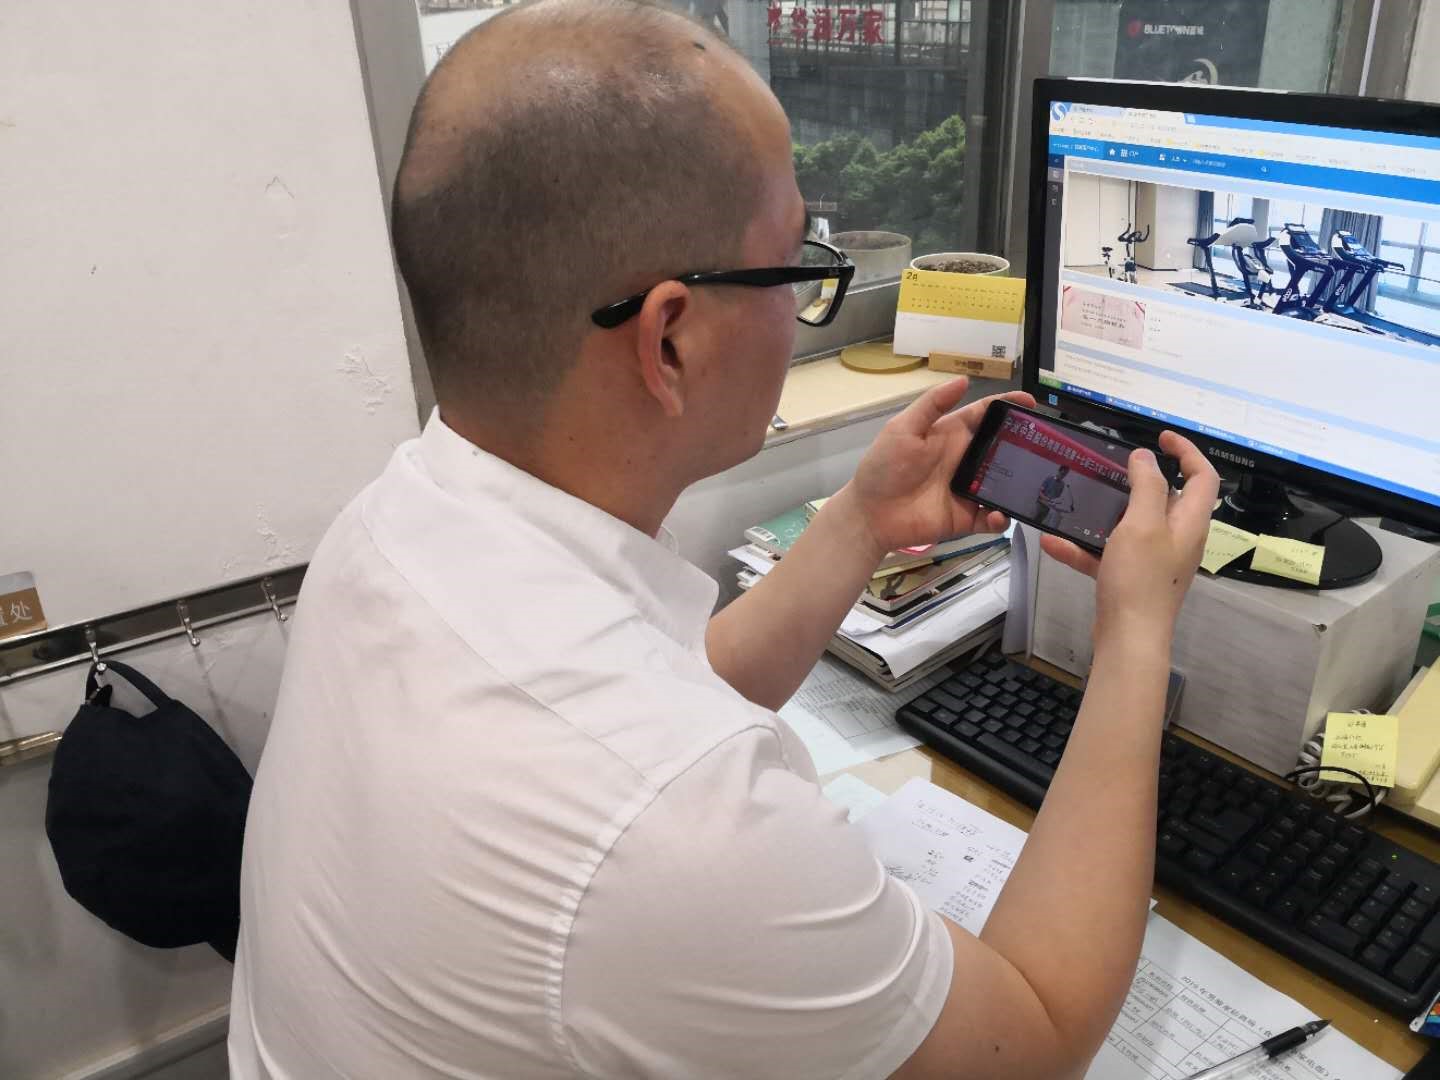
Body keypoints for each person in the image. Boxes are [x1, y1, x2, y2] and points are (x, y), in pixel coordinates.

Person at [228, 1, 1220, 1076]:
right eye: (796, 262)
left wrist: (863, 521)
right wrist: (1136, 630)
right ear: (669, 340)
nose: (808, 294)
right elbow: (1032, 1039)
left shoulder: (390, 527)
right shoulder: (677, 829)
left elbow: (668, 694)